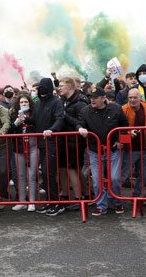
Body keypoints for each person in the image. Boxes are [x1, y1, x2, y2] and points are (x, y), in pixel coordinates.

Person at [78, 86, 128, 216]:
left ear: (103, 98)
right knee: (97, 180)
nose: (92, 100)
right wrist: (80, 128)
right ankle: (101, 205)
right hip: (95, 150)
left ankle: (117, 202)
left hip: (113, 149)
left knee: (115, 178)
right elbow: (80, 123)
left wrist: (122, 141)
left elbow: (125, 125)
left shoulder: (116, 108)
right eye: (91, 97)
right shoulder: (85, 111)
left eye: (95, 98)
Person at [28, 78, 65, 216]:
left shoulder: (56, 102)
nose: (42, 91)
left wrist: (52, 130)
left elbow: (60, 118)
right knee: (45, 172)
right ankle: (50, 201)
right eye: (40, 89)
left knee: (50, 173)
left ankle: (57, 203)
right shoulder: (38, 104)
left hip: (52, 142)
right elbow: (34, 120)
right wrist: (23, 119)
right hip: (42, 143)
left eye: (44, 88)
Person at [58, 77, 89, 210]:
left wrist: (64, 115)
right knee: (66, 168)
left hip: (75, 140)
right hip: (65, 139)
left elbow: (81, 122)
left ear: (69, 87)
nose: (59, 88)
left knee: (72, 168)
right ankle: (70, 195)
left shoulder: (80, 103)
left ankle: (78, 199)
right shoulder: (63, 101)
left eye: (61, 86)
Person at [121, 88, 146, 196]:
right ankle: (114, 197)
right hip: (128, 149)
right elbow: (120, 128)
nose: (132, 100)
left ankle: (136, 195)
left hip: (144, 147)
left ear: (140, 98)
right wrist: (128, 132)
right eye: (130, 97)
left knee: (144, 175)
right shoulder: (123, 109)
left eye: (135, 97)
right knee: (122, 175)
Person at [10, 93, 38, 212]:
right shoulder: (13, 114)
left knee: (31, 175)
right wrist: (15, 123)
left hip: (33, 147)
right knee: (20, 175)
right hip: (19, 148)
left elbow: (39, 125)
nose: (24, 104)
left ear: (30, 103)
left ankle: (32, 201)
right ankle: (22, 201)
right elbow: (9, 130)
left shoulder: (35, 114)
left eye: (26, 102)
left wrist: (27, 120)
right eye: (21, 102)